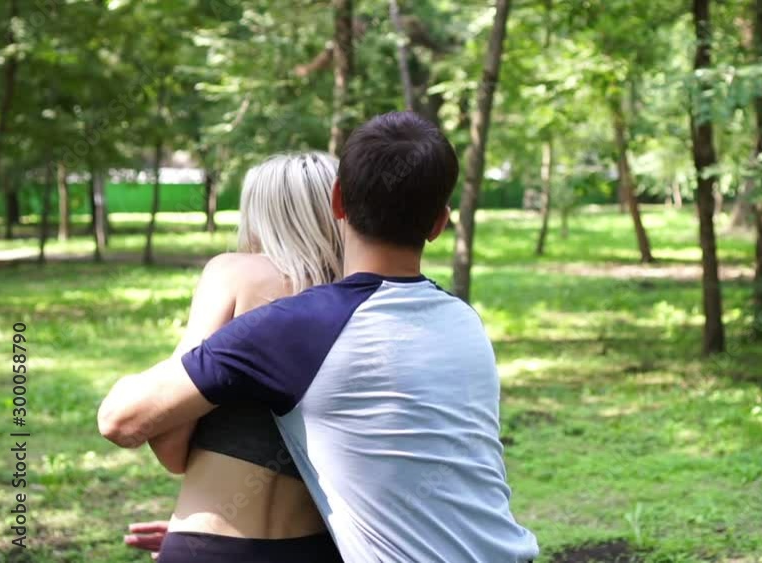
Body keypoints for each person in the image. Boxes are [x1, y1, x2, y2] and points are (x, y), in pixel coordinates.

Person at [99, 111, 540, 562]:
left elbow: (127, 421)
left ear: (340, 201)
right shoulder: (463, 321)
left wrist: (205, 537)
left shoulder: (297, 322)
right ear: (439, 224)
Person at [120, 152, 345, 562]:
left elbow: (169, 437)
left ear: (258, 214)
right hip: (323, 547)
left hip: (215, 544)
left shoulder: (237, 273)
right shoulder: (363, 306)